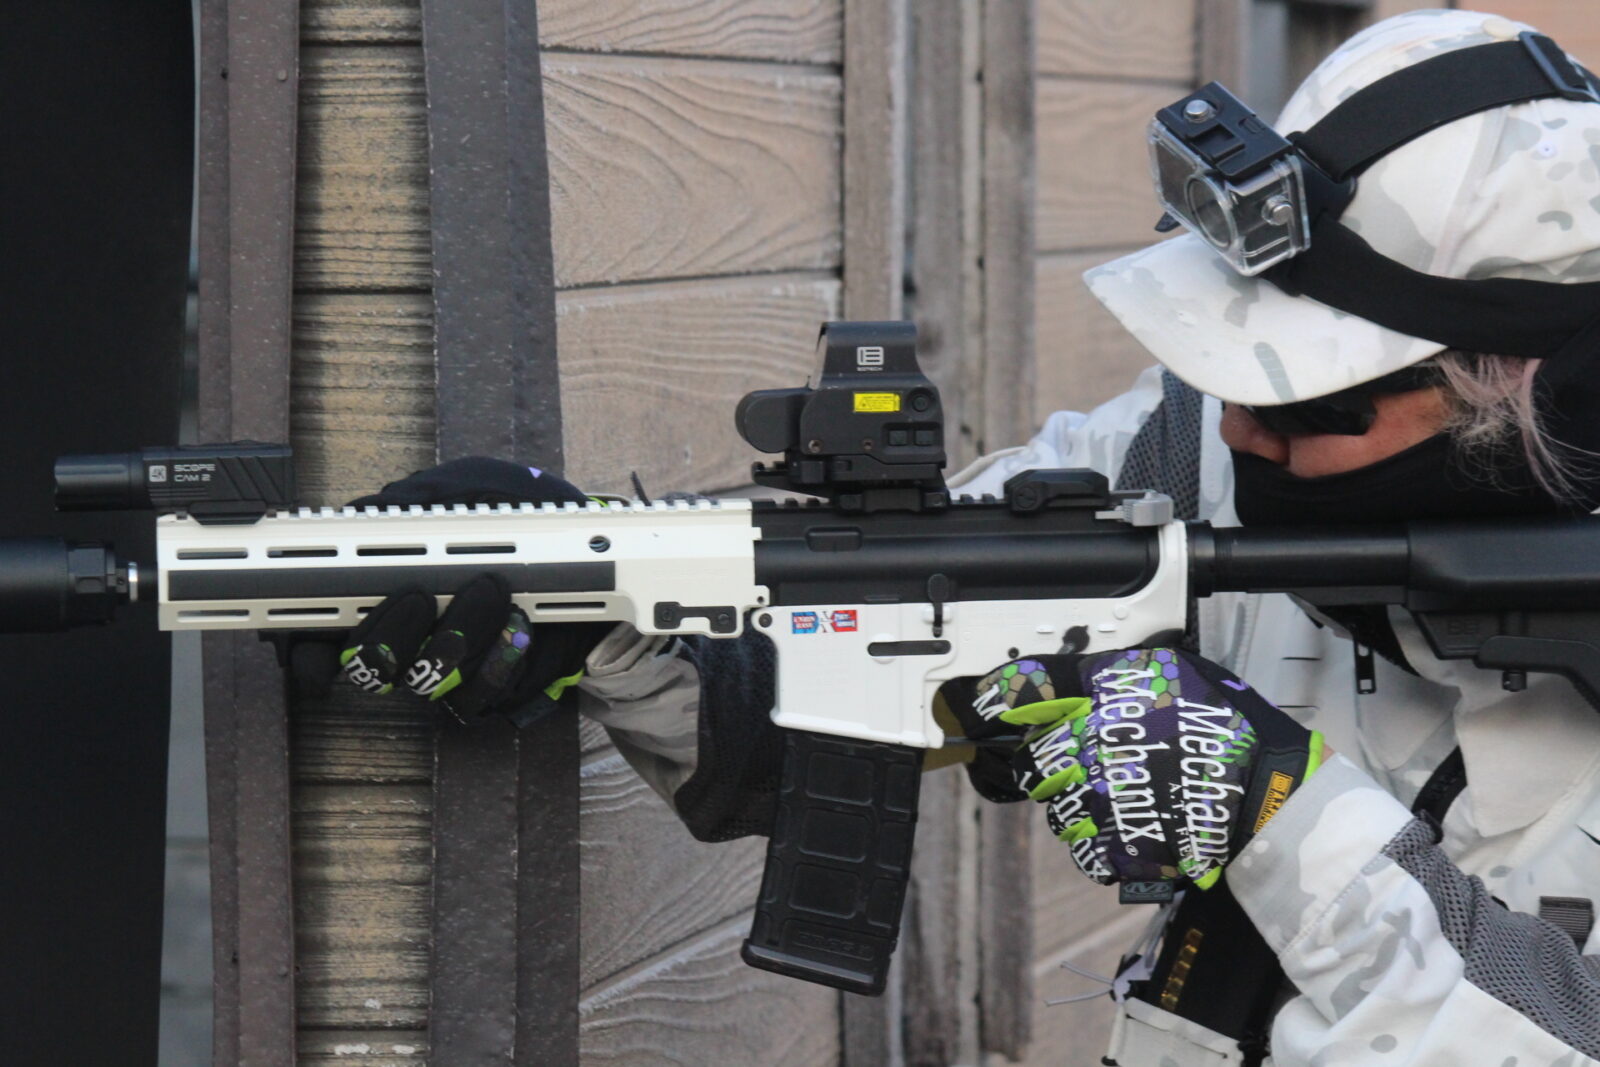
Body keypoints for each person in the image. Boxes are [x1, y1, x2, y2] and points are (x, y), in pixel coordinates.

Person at [309, 11, 1600, 1065]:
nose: (1241, 432)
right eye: (1235, 372)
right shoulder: (1186, 460)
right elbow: (861, 626)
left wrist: (1275, 812)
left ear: (1538, 401)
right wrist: (592, 598)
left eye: (1313, 401)